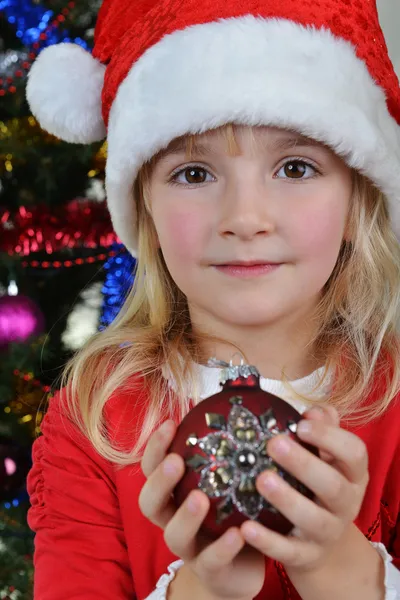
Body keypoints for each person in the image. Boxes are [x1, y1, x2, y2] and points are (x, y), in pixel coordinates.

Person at [25, 0, 400, 598]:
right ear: (145, 203)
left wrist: (342, 572)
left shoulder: (395, 410)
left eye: (296, 167)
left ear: (357, 200)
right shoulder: (95, 424)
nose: (244, 219)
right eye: (194, 174)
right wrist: (201, 588)